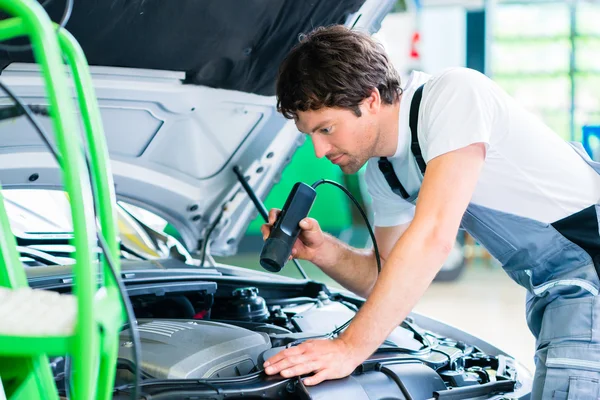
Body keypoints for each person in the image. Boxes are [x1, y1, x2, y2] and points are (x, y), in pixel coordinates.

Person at [260, 25, 600, 398]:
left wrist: (348, 347)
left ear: (371, 99)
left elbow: (434, 236)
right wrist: (324, 250)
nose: (319, 150)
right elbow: (383, 275)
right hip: (554, 288)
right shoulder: (385, 172)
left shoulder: (453, 95)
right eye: (310, 135)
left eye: (326, 129)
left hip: (588, 269)